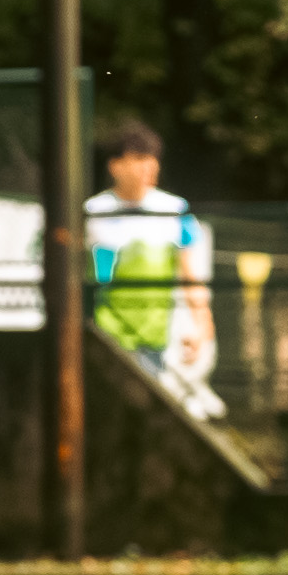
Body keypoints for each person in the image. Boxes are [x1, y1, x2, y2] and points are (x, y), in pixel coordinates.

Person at [84, 122, 221, 418]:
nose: (148, 167)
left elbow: (190, 275)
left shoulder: (175, 210)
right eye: (139, 158)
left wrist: (201, 325)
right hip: (107, 336)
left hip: (158, 339)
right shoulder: (92, 213)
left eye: (152, 159)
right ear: (115, 165)